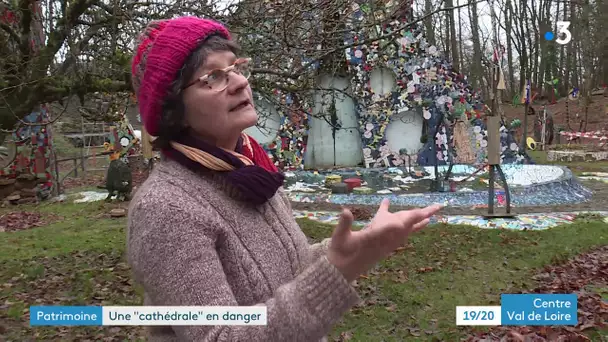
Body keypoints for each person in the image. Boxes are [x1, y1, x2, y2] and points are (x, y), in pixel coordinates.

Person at [127, 16, 442, 342]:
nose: (239, 82)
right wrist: (338, 269)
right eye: (214, 76)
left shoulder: (251, 173)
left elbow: (287, 269)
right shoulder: (166, 208)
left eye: (235, 67)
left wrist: (350, 250)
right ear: (172, 108)